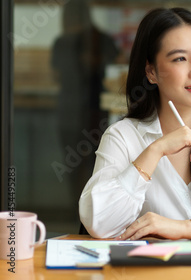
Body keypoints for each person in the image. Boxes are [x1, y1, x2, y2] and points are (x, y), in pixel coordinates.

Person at [79, 7, 191, 242]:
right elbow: (100, 223)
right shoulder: (123, 136)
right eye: (180, 59)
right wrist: (156, 150)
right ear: (151, 72)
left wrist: (189, 229)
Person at [51, 0, 119, 218]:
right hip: (91, 111)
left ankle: (79, 212)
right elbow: (114, 70)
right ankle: (89, 213)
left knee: (75, 165)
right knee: (95, 164)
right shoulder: (102, 39)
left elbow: (56, 76)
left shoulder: (64, 41)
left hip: (76, 110)